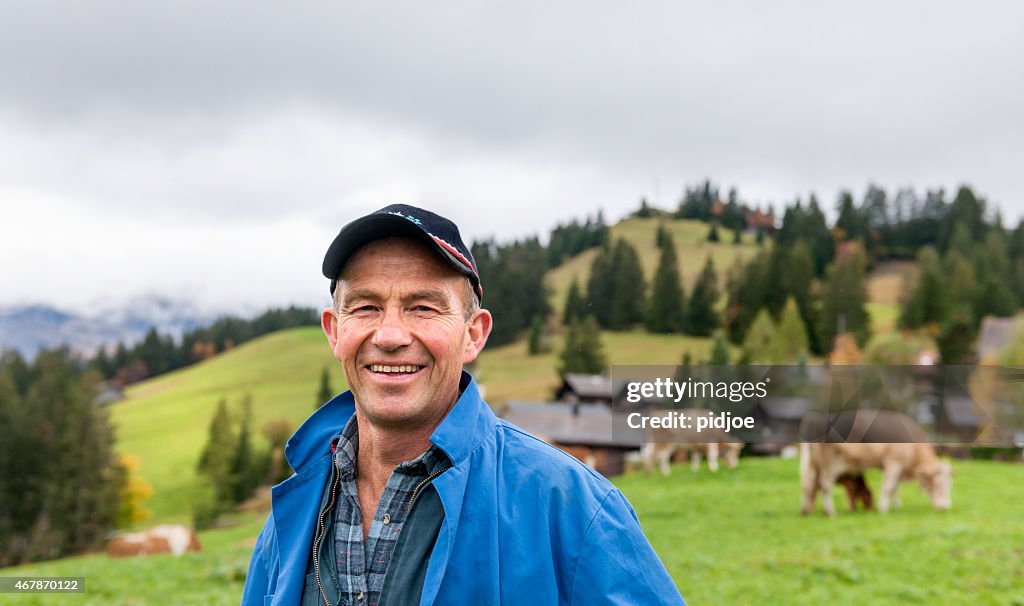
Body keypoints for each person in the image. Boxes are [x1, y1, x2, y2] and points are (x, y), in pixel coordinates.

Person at [241, 204, 686, 605]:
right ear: (334, 331)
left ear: (474, 333)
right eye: (366, 307)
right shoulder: (291, 519)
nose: (391, 335)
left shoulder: (573, 506)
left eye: (423, 308)